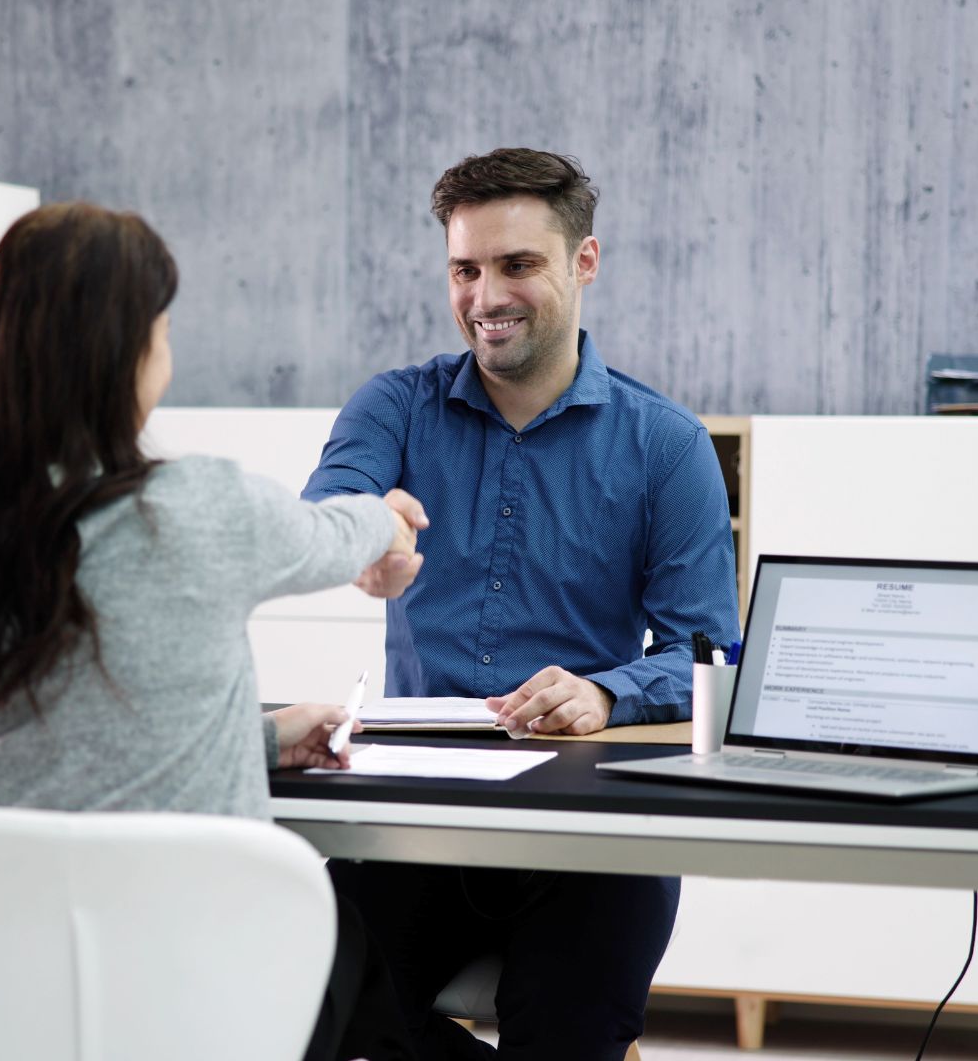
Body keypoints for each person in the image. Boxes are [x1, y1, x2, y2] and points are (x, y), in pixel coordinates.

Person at [0, 201, 423, 1060]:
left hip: (1, 993)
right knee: (348, 951)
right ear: (123, 354)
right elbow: (342, 534)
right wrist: (389, 522)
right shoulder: (195, 507)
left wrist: (261, 741)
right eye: (161, 328)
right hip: (197, 997)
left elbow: (62, 739)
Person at [303, 148, 741, 1060]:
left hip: (592, 838)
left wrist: (611, 693)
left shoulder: (667, 446)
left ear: (584, 262)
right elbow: (334, 499)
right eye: (465, 269)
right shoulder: (395, 405)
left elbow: (710, 655)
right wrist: (363, 529)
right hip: (417, 826)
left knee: (565, 1036)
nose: (484, 296)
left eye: (517, 265)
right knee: (298, 1001)